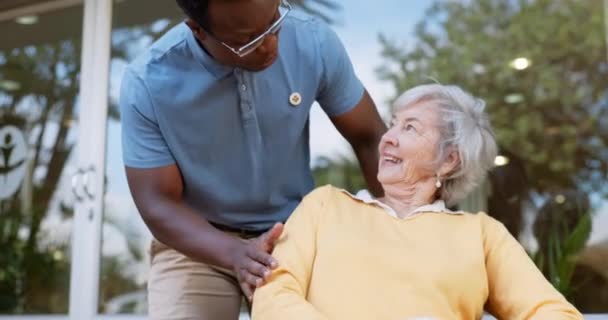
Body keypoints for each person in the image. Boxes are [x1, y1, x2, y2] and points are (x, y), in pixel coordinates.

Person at [119, 0, 386, 318]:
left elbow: (371, 139)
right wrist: (234, 253)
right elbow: (158, 203)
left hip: (292, 232)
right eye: (249, 39)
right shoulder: (148, 81)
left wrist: (405, 226)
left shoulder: (313, 41)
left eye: (275, 21)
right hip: (198, 242)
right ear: (198, 31)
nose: (271, 44)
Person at [252, 84, 583, 320]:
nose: (388, 137)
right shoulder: (323, 206)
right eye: (393, 123)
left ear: (448, 161)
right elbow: (274, 295)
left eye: (409, 128)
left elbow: (552, 313)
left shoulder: (481, 234)